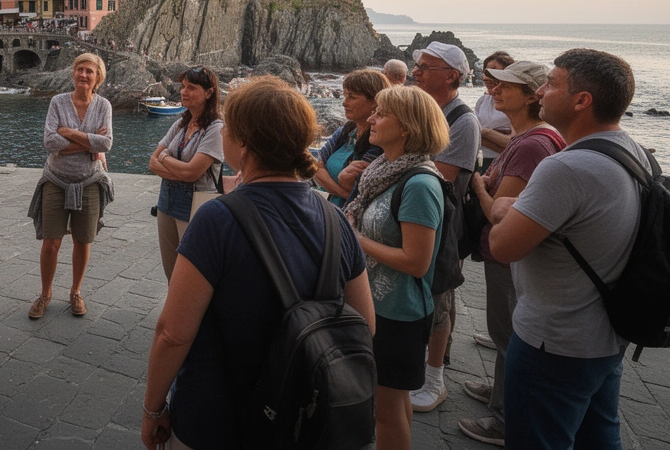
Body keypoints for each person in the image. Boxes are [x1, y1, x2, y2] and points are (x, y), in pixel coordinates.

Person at [141, 77, 375, 450]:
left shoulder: (216, 220)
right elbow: (365, 323)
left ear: (245, 144)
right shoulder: (335, 222)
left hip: (215, 419)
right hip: (301, 420)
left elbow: (173, 333)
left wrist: (153, 410)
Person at [488, 49, 644, 450]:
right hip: (605, 335)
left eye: (552, 83)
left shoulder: (566, 168)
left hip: (553, 341)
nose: (540, 90)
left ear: (582, 100)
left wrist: (506, 207)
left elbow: (502, 247)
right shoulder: (631, 151)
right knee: (600, 436)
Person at [458, 61, 564, 446]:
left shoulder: (533, 143)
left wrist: (475, 180)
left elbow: (498, 212)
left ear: (531, 95)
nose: (495, 90)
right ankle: (501, 390)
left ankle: (504, 417)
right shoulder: (528, 136)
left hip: (508, 258)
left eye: (506, 86)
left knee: (508, 334)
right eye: (494, 84)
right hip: (508, 258)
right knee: (505, 331)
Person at [344, 85, 449, 450]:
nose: (371, 119)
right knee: (394, 402)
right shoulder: (384, 169)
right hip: (379, 306)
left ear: (406, 127)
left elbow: (417, 262)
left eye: (381, 114)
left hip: (398, 314)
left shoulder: (419, 183)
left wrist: (357, 241)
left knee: (385, 411)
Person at [409, 40, 480, 412]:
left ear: (451, 76)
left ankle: (435, 379)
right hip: (419, 216)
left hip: (442, 224)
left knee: (439, 299)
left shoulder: (462, 120)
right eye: (417, 65)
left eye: (425, 66)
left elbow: (446, 177)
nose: (416, 71)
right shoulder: (429, 110)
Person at [28, 54, 114, 320]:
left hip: (89, 181)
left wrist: (69, 133)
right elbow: (49, 142)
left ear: (97, 77)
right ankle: (45, 293)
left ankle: (76, 291)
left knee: (82, 240)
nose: (83, 75)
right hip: (55, 179)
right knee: (51, 242)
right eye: (79, 69)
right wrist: (89, 143)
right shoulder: (58, 102)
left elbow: (107, 144)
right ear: (73, 73)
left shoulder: (104, 106)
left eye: (89, 71)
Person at [149, 66, 225, 281]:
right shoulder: (180, 124)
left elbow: (192, 172)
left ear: (209, 93)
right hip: (167, 201)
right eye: (183, 87)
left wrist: (165, 159)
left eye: (191, 88)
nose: (183, 92)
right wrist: (179, 171)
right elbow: (152, 164)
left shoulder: (215, 129)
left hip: (195, 204)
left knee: (193, 272)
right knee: (171, 270)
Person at [313, 69, 386, 206]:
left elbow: (357, 184)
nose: (344, 103)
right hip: (326, 207)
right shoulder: (346, 131)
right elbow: (315, 165)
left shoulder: (379, 139)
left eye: (352, 97)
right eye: (345, 96)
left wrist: (337, 184)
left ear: (375, 101)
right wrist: (344, 194)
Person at [476, 52, 515, 173]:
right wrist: (493, 135)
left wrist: (485, 132)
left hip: (504, 161)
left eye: (494, 70)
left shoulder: (514, 104)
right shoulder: (483, 101)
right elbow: (475, 136)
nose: (488, 75)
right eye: (486, 70)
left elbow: (513, 144)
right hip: (480, 158)